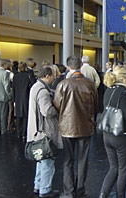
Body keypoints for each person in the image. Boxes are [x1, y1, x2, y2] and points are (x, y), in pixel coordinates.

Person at [53, 56, 97, 198]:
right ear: (80, 66)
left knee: (68, 161)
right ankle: (80, 190)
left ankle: (69, 192)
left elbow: (57, 105)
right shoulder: (90, 84)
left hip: (67, 127)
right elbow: (96, 105)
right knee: (83, 160)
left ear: (68, 67)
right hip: (85, 126)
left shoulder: (63, 84)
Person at [99, 65, 126, 198]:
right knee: (123, 170)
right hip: (123, 135)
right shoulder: (125, 93)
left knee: (113, 168)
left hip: (107, 134)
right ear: (125, 78)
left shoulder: (109, 90)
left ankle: (103, 194)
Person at [27, 65, 62, 198]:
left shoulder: (36, 87)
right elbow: (47, 111)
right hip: (45, 132)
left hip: (36, 131)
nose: (55, 77)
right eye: (53, 75)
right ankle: (45, 189)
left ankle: (38, 185)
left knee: (41, 160)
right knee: (48, 161)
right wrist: (58, 109)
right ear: (47, 76)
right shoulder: (42, 91)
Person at [13, 62, 34, 140]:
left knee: (18, 116)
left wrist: (14, 98)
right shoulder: (28, 76)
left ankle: (19, 132)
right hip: (26, 97)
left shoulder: (15, 77)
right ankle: (24, 133)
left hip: (18, 98)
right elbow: (32, 85)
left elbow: (14, 88)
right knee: (25, 116)